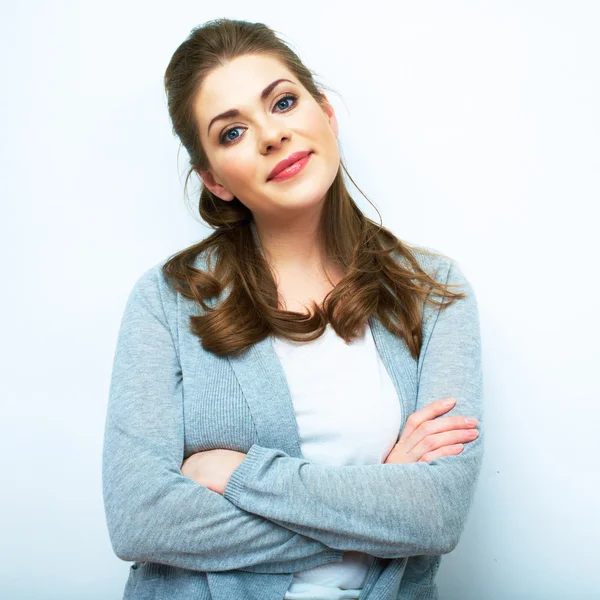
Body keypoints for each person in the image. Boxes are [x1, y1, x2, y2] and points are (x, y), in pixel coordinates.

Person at [101, 17, 484, 600]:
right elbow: (140, 520)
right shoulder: (167, 300)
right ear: (215, 181)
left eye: (283, 102)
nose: (270, 135)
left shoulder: (431, 291)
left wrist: (237, 474)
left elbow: (436, 516)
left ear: (325, 115)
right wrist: (378, 506)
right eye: (231, 133)